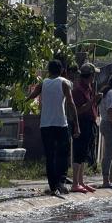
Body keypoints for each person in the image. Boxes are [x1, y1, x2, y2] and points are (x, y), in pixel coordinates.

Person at [27, 60, 79, 196]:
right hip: (60, 123)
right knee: (63, 154)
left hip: (45, 124)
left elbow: (33, 95)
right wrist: (76, 125)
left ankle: (53, 185)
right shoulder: (63, 82)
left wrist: (25, 100)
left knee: (50, 155)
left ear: (48, 70)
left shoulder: (43, 83)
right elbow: (71, 103)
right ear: (61, 70)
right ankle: (61, 182)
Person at [70, 62, 99, 193]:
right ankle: (75, 183)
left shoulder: (89, 88)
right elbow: (79, 110)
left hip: (90, 123)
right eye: (93, 76)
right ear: (90, 76)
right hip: (81, 123)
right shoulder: (77, 90)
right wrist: (93, 100)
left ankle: (81, 181)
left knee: (84, 154)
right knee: (79, 152)